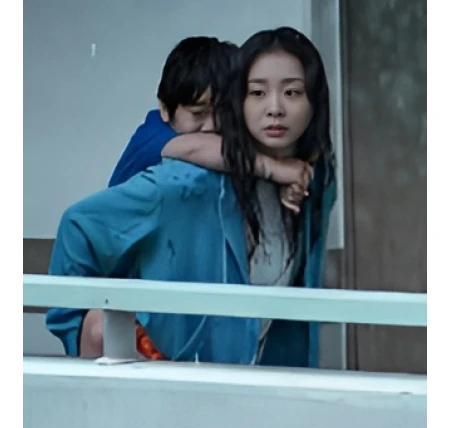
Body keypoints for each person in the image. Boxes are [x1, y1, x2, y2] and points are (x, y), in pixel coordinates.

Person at [46, 27, 335, 366]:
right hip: (162, 366)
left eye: (292, 92)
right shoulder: (183, 171)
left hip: (244, 378)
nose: (274, 108)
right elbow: (78, 225)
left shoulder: (313, 182)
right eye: (257, 92)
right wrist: (84, 331)